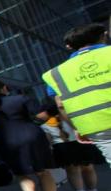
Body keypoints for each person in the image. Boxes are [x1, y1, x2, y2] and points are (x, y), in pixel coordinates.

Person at [0, 80, 64, 191]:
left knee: (22, 174)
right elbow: (40, 116)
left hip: (8, 142)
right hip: (31, 136)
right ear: (5, 88)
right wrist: (52, 109)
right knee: (42, 172)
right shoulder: (21, 99)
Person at [41, 23, 111, 163]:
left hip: (96, 126)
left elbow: (60, 106)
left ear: (70, 46)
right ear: (104, 36)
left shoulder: (55, 74)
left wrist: (78, 128)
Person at [39, 100, 104, 191]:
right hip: (81, 143)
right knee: (88, 168)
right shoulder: (72, 119)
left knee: (72, 170)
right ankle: (92, 190)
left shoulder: (45, 126)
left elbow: (48, 142)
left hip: (62, 147)